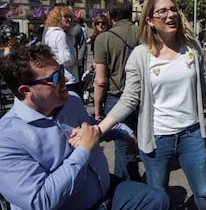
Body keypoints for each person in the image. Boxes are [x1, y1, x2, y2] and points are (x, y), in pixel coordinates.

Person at [95, 0, 206, 209]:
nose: (170, 14)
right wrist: (100, 130)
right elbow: (129, 99)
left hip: (191, 134)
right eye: (162, 11)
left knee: (203, 192)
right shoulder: (140, 55)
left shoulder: (192, 47)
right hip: (157, 138)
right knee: (159, 194)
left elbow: (204, 87)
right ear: (149, 20)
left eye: (173, 9)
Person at [0, 45, 169, 210]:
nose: (65, 79)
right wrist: (84, 150)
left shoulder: (71, 101)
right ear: (25, 91)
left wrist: (123, 131)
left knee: (157, 200)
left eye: (61, 71)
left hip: (106, 191)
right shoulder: (7, 140)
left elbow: (91, 126)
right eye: (55, 78)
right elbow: (41, 200)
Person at [93, 0, 140, 181]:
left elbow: (101, 81)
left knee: (123, 146)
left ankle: (128, 190)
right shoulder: (145, 34)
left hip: (117, 98)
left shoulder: (103, 39)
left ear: (110, 16)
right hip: (143, 96)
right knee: (142, 142)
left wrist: (97, 111)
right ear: (130, 13)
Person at [44, 6, 82, 98]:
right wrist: (76, 61)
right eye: (65, 17)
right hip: (68, 77)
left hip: (57, 76)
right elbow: (65, 59)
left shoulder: (49, 33)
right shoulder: (60, 34)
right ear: (57, 18)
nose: (69, 19)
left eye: (70, 17)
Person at [72, 17, 87, 84]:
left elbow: (83, 43)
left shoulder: (77, 28)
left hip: (74, 61)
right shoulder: (53, 28)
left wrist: (80, 58)